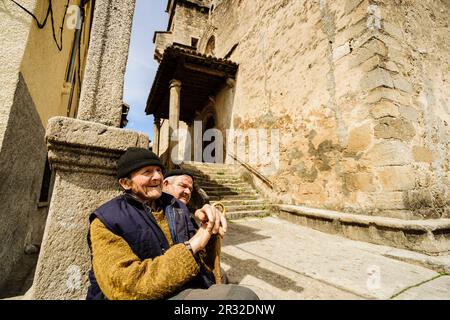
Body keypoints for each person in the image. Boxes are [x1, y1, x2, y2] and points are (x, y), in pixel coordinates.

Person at [86, 147, 258, 300]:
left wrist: (209, 229)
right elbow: (126, 287)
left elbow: (204, 260)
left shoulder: (175, 207)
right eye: (147, 172)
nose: (157, 177)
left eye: (159, 170)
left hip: (183, 287)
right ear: (125, 183)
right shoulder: (106, 220)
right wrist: (191, 246)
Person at [163, 169, 229, 284]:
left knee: (222, 276)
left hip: (196, 271)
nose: (188, 192)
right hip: (173, 279)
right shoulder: (155, 212)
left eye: (190, 189)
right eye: (183, 186)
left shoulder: (189, 215)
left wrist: (210, 230)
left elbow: (204, 257)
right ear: (165, 184)